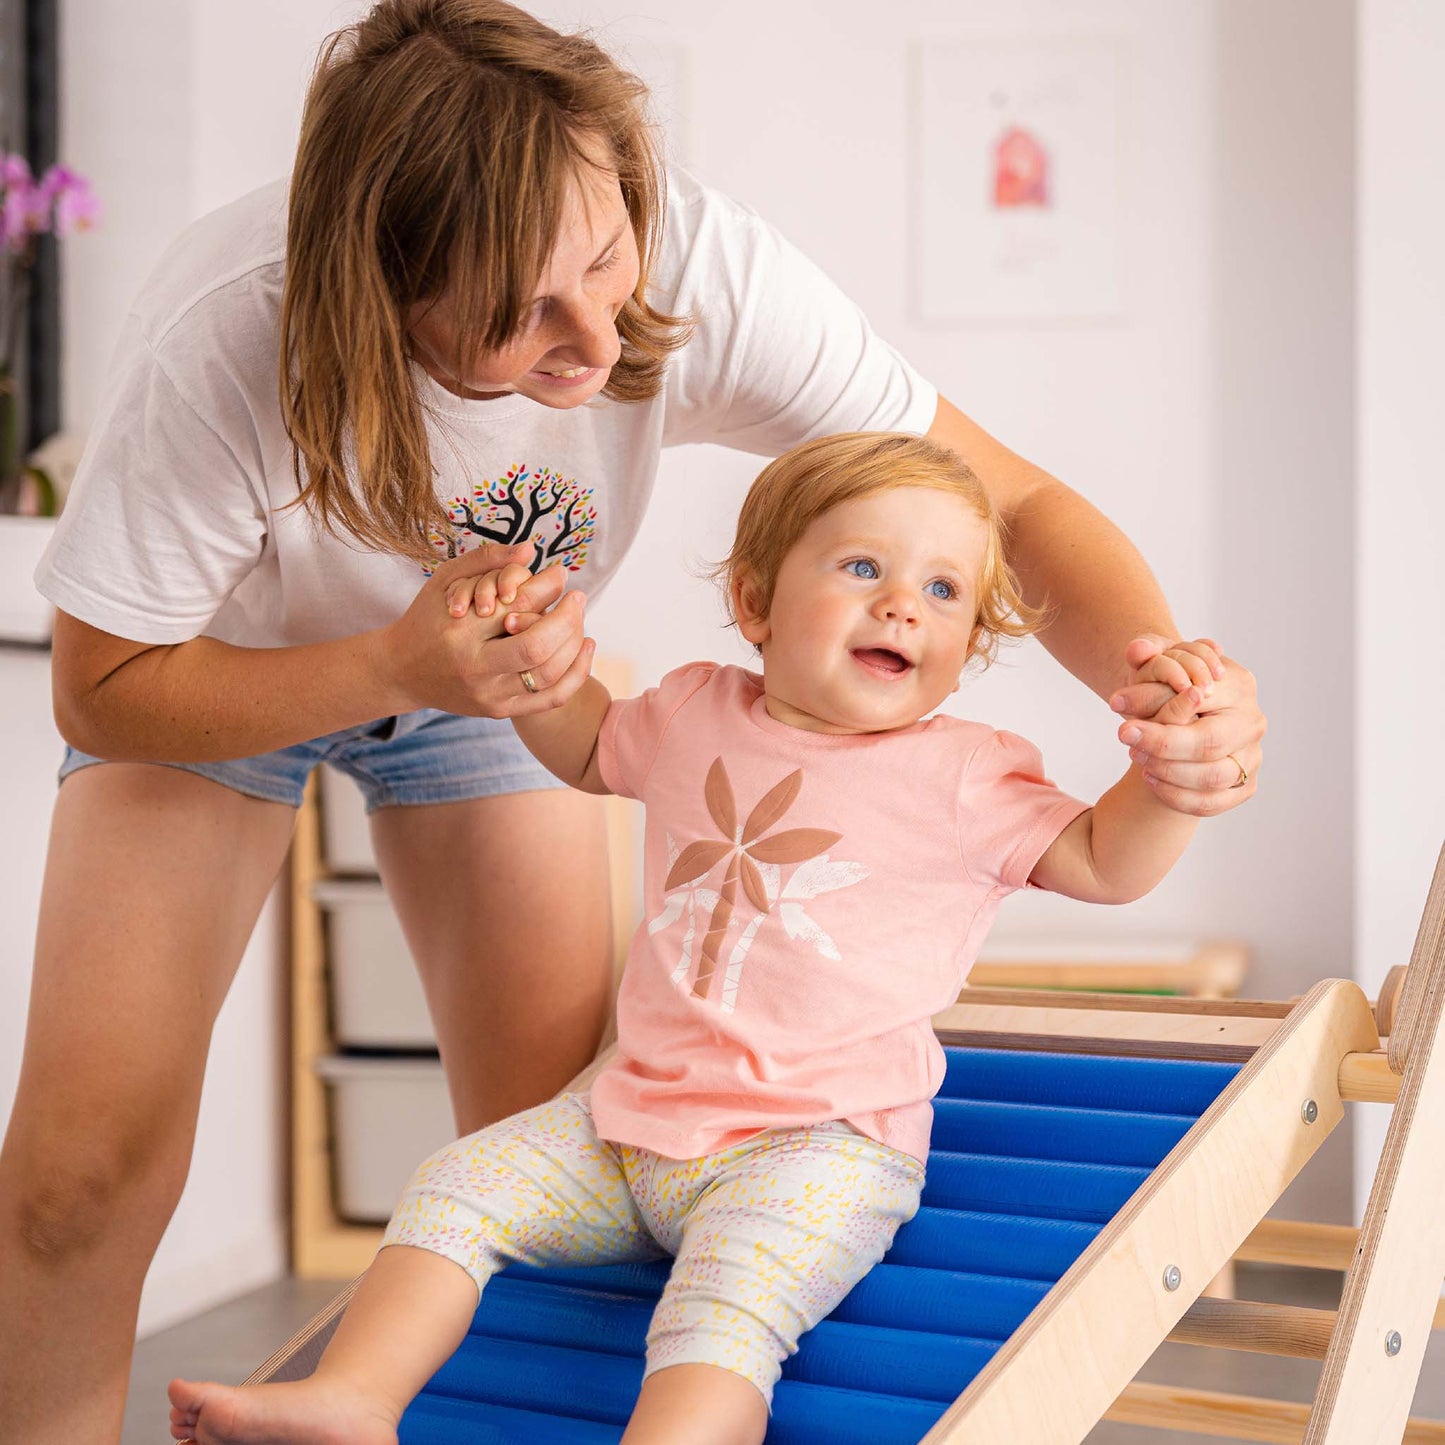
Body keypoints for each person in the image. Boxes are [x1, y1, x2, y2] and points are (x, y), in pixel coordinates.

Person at [0, 3, 1264, 1442]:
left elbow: (1009, 503)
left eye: (606, 261)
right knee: (80, 1177)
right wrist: (397, 663)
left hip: (512, 681)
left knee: (570, 1133)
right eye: (520, 309)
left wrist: (1162, 687)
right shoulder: (227, 340)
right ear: (383, 284)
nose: (599, 339)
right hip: (214, 671)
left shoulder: (699, 268)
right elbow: (103, 682)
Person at [166, 432, 1217, 1445]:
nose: (903, 602)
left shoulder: (966, 773)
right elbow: (586, 743)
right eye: (863, 566)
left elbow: (1101, 861)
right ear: (755, 602)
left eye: (943, 589)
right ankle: (352, 1396)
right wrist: (534, 662)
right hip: (625, 1119)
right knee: (455, 1184)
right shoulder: (693, 712)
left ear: (967, 645)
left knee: (719, 1317)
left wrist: (1167, 786)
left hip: (816, 1147)